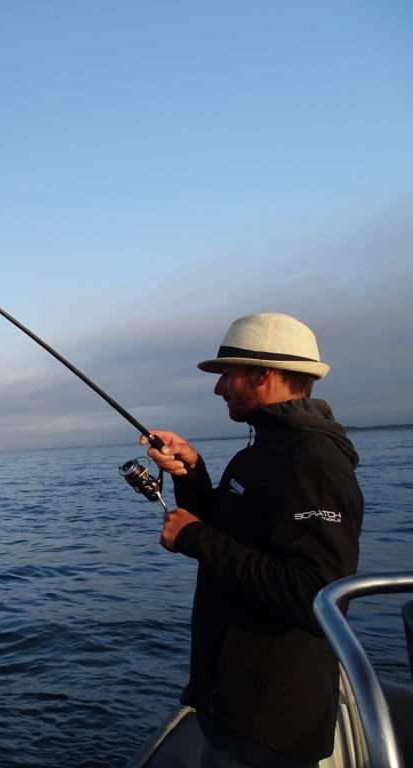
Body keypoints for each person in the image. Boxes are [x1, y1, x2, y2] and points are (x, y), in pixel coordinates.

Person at [144, 313, 363, 768]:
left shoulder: (313, 461)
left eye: (227, 374)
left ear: (264, 374)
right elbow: (232, 530)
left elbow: (315, 595)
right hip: (231, 704)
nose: (218, 387)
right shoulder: (262, 453)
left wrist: (195, 539)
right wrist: (192, 471)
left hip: (271, 726)